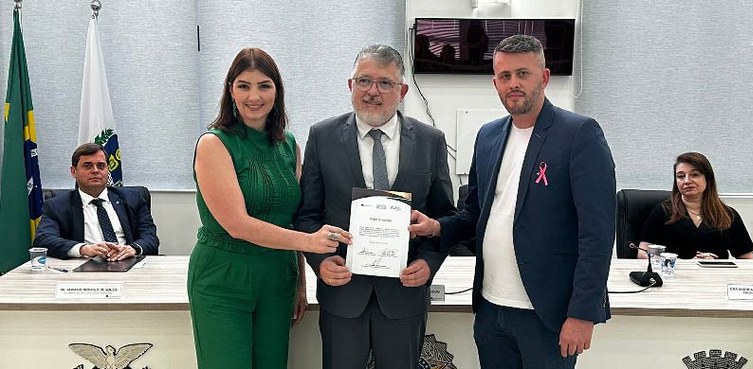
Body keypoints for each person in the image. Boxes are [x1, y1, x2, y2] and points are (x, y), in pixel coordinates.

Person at [410, 35, 616, 369]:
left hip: (547, 314)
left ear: (544, 77)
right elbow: (474, 214)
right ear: (495, 83)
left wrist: (583, 313)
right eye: (505, 76)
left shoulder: (579, 134)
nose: (513, 83)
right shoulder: (488, 136)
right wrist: (437, 227)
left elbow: (598, 233)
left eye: (523, 74)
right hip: (491, 309)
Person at [294, 44, 456, 369]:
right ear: (350, 85)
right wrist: (321, 262)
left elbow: (444, 216)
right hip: (342, 293)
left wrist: (429, 263)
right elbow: (307, 215)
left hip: (404, 295)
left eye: (385, 83)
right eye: (364, 81)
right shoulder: (322, 137)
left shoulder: (431, 141)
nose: (373, 91)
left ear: (402, 91)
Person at [187, 47, 351, 369]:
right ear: (230, 91)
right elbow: (238, 225)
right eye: (244, 86)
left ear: (277, 91)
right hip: (223, 277)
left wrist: (300, 282)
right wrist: (311, 242)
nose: (254, 96)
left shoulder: (289, 145)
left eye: (264, 85)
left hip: (278, 278)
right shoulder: (214, 143)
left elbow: (294, 219)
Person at [33, 143, 159, 261]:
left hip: (128, 262)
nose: (95, 171)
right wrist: (83, 249)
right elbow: (43, 239)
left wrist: (133, 249)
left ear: (108, 170)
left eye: (101, 166)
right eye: (87, 166)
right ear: (74, 171)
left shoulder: (133, 198)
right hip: (83, 266)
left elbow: (150, 237)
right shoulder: (56, 205)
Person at [638, 152, 753, 260]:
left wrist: (715, 263)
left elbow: (747, 258)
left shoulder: (728, 215)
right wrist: (685, 264)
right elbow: (643, 253)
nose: (686, 181)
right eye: (681, 176)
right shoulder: (663, 211)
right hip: (676, 275)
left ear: (708, 178)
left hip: (717, 274)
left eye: (694, 175)